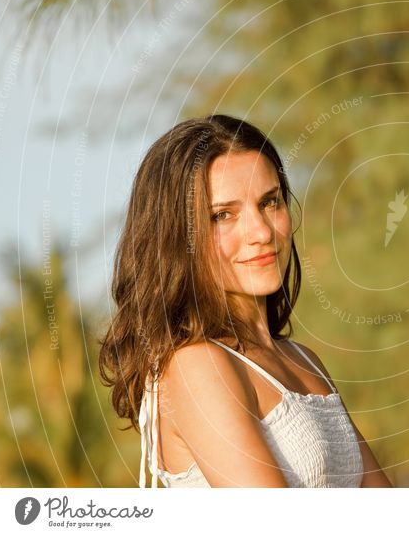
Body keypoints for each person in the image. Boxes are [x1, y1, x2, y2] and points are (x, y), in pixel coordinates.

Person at [98, 114, 391, 488]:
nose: (261, 231)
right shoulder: (195, 366)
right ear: (175, 238)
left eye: (270, 202)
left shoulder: (303, 360)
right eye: (222, 215)